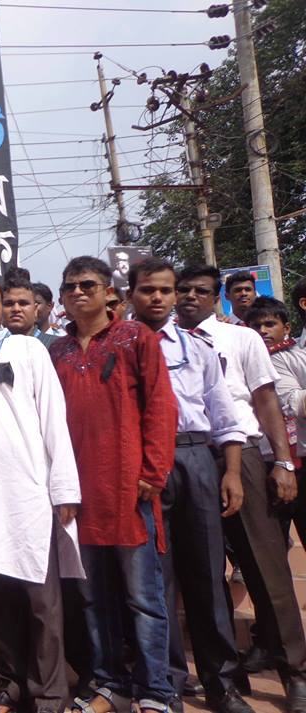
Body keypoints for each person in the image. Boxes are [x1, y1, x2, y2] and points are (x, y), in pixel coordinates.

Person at [0, 274, 83, 713]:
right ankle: (15, 681)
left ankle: (49, 694)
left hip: (28, 495)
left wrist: (64, 489)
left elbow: (54, 420)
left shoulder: (28, 350)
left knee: (42, 603)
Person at [48, 256, 178, 713]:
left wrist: (153, 473)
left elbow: (161, 405)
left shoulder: (135, 338)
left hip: (128, 489)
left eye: (87, 284)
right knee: (92, 598)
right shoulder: (57, 352)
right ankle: (110, 685)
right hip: (77, 495)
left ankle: (155, 690)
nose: (78, 292)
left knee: (143, 599)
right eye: (69, 287)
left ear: (108, 293)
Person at [175, 265, 306, 703]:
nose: (190, 297)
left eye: (201, 291)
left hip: (245, 454)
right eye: (183, 290)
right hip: (190, 456)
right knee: (203, 572)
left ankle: (295, 672)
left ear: (217, 297)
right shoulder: (163, 344)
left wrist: (282, 462)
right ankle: (225, 676)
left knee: (266, 567)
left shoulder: (241, 338)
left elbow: (266, 400)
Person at [128, 259, 252, 713]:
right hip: (142, 468)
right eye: (148, 290)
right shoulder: (120, 348)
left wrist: (231, 472)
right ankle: (166, 683)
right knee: (154, 580)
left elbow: (224, 416)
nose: (159, 298)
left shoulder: (197, 348)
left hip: (194, 458)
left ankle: (222, 683)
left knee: (207, 575)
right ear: (131, 295)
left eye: (167, 290)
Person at [246, 296, 306, 547]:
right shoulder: (243, 362)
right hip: (265, 461)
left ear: (287, 327)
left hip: (301, 460)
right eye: (256, 326)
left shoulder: (299, 357)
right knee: (272, 549)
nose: (263, 331)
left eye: (270, 324)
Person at [1, 275, 57, 349]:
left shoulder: (57, 346)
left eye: (23, 303)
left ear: (35, 310)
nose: (16, 309)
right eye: (9, 304)